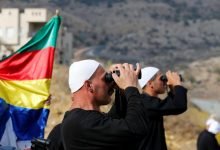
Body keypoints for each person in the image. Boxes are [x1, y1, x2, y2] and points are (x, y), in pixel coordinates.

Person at [61, 59, 146, 150]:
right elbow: (136, 128)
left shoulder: (80, 119)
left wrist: (122, 91)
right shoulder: (79, 122)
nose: (110, 83)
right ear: (89, 86)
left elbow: (118, 121)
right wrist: (131, 87)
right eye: (106, 79)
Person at [135, 66, 188, 150]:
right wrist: (177, 84)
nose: (165, 82)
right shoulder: (146, 103)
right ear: (150, 83)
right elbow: (179, 106)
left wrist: (172, 88)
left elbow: (172, 105)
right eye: (162, 79)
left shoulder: (147, 101)